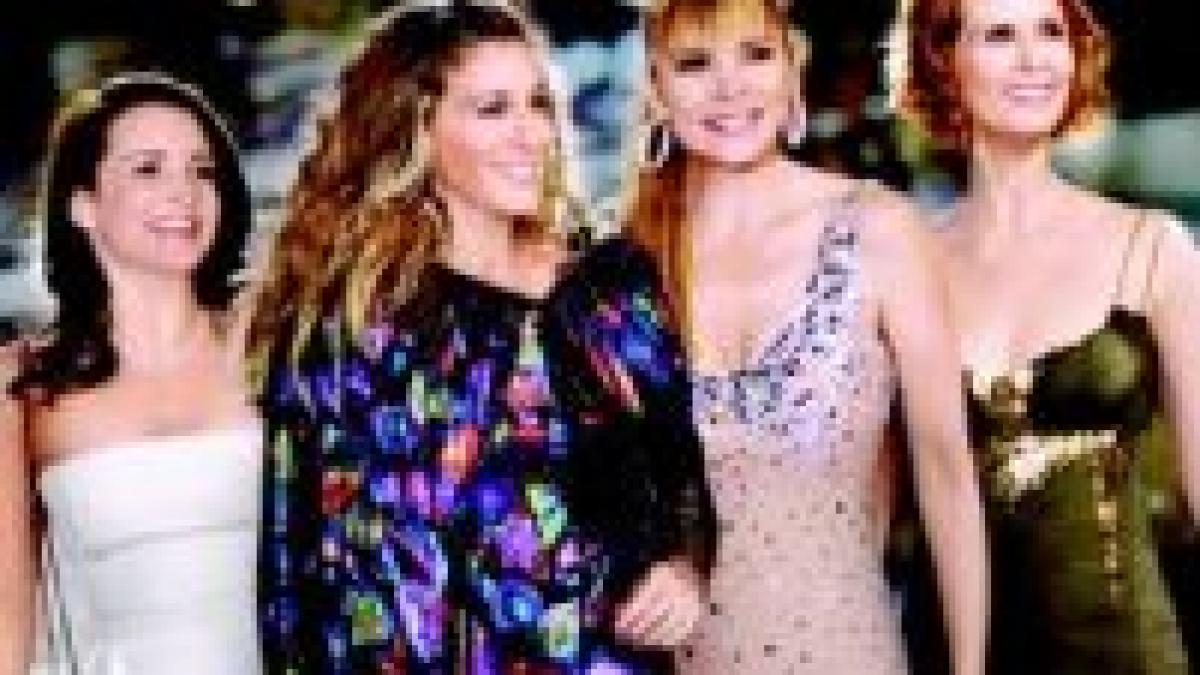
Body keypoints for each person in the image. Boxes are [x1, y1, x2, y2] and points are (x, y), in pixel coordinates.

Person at [248, 1, 717, 672]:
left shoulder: (610, 290)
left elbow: (687, 475)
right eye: (493, 109)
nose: (530, 134)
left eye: (538, 104)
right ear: (415, 128)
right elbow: (294, 577)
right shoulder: (346, 331)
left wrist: (685, 567)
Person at [630, 1, 988, 673]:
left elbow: (946, 475)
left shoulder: (880, 230)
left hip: (846, 649)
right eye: (695, 63)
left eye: (756, 54)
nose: (730, 86)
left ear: (793, 67)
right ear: (655, 86)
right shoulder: (621, 266)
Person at [901, 0, 1200, 671]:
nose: (1033, 58)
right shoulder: (904, 262)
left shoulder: (1152, 248)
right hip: (949, 652)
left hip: (1122, 651)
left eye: (1051, 32)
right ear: (944, 60)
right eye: (1000, 35)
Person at [1, 73, 261, 673]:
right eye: (148, 169)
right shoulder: (25, 388)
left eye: (202, 171)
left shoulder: (274, 347)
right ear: (82, 204)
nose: (184, 193)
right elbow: (7, 625)